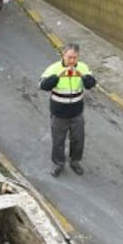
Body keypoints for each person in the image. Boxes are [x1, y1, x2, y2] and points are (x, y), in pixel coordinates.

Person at [39, 43, 96, 176]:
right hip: (59, 113)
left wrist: (83, 76)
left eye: (75, 58)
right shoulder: (54, 68)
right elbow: (42, 85)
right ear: (63, 55)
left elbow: (91, 84)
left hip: (76, 112)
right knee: (58, 140)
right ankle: (58, 163)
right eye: (69, 57)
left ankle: (75, 162)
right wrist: (58, 76)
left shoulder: (83, 67)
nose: (72, 61)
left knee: (78, 139)